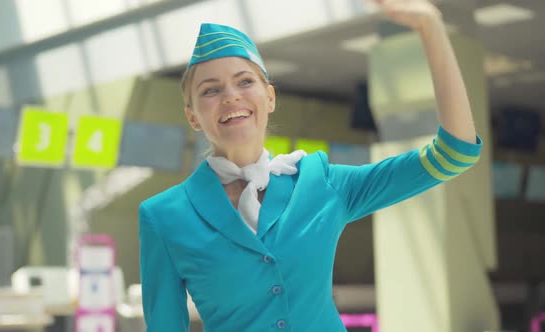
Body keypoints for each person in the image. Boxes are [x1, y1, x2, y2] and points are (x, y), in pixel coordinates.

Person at [138, 0, 483, 331]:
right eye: (210, 90)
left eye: (245, 81)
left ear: (269, 97)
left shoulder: (321, 184)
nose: (231, 96)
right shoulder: (164, 216)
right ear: (192, 117)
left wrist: (430, 26)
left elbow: (454, 154)